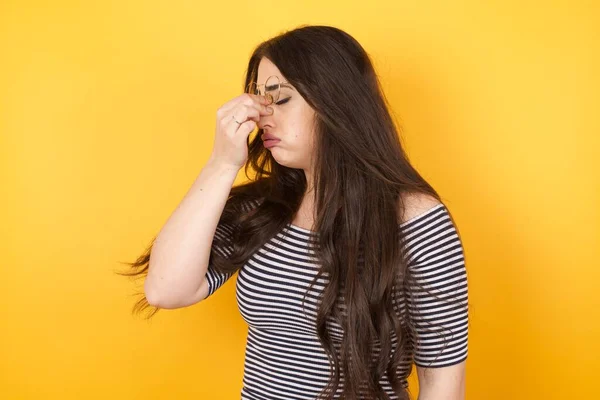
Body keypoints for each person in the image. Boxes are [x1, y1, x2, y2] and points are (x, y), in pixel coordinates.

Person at [121, 25, 469, 400]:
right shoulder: (263, 208)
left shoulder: (416, 219)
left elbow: (442, 381)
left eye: (280, 99)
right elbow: (165, 289)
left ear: (336, 102)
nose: (262, 116)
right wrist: (221, 164)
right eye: (259, 100)